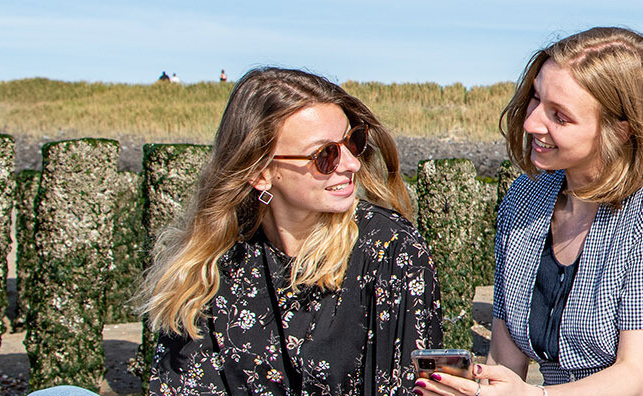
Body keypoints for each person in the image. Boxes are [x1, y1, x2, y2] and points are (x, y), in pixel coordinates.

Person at [417, 27, 643, 396]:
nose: (532, 122)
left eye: (559, 116)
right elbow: (505, 356)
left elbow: (636, 376)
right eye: (535, 99)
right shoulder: (526, 194)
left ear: (623, 129)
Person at [138, 67, 440, 395]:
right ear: (261, 173)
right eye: (325, 155)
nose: (352, 163)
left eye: (353, 142)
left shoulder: (392, 251)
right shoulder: (216, 264)